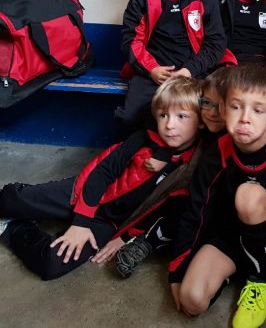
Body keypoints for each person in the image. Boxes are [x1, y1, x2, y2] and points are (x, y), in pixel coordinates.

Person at [0, 76, 202, 281]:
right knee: (9, 200)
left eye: (182, 116)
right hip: (87, 193)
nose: (169, 125)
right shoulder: (142, 139)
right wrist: (80, 223)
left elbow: (163, 211)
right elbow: (102, 173)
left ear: (201, 120)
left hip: (109, 223)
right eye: (163, 115)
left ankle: (12, 227)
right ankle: (29, 202)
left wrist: (125, 237)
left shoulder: (193, 167)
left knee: (52, 264)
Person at [168, 63, 266, 328]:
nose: (245, 118)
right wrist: (177, 271)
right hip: (227, 236)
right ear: (223, 110)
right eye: (236, 107)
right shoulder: (214, 156)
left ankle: (262, 279)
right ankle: (238, 268)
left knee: (249, 194)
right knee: (191, 301)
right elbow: (196, 211)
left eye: (258, 110)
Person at [112, 67, 230, 279]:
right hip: (186, 207)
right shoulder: (195, 134)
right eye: (207, 103)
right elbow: (157, 112)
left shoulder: (237, 137)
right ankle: (147, 241)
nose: (213, 112)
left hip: (220, 214)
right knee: (181, 201)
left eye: (221, 106)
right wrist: (127, 232)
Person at [116, 0, 226, 129]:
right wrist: (152, 69)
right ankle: (142, 148)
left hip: (194, 72)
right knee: (131, 117)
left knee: (208, 118)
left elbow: (216, 43)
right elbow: (130, 40)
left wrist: (189, 70)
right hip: (152, 72)